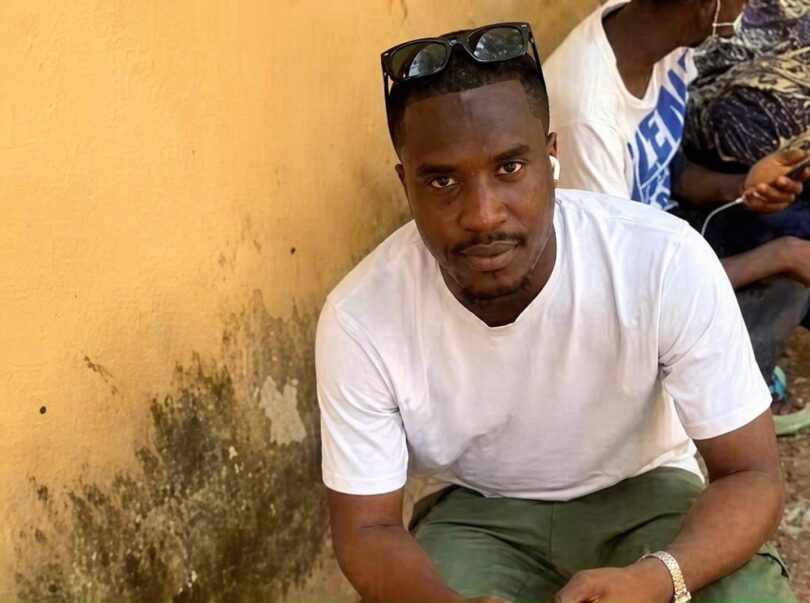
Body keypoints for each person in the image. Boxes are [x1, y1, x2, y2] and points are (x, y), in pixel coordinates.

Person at [316, 22, 796, 603]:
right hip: (477, 514)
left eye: (509, 168)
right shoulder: (361, 318)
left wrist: (655, 579)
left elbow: (750, 474)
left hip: (644, 491)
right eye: (442, 180)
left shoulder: (662, 260)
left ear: (550, 158)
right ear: (405, 185)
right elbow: (367, 528)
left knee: (746, 594)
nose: (483, 214)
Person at [544, 0, 810, 433]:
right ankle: (720, 403)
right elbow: (625, 288)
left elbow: (671, 169)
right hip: (626, 294)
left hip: (662, 235)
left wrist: (743, 188)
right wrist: (778, 255)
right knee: (787, 282)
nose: (748, 6)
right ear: (705, 4)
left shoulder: (657, 36)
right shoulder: (589, 119)